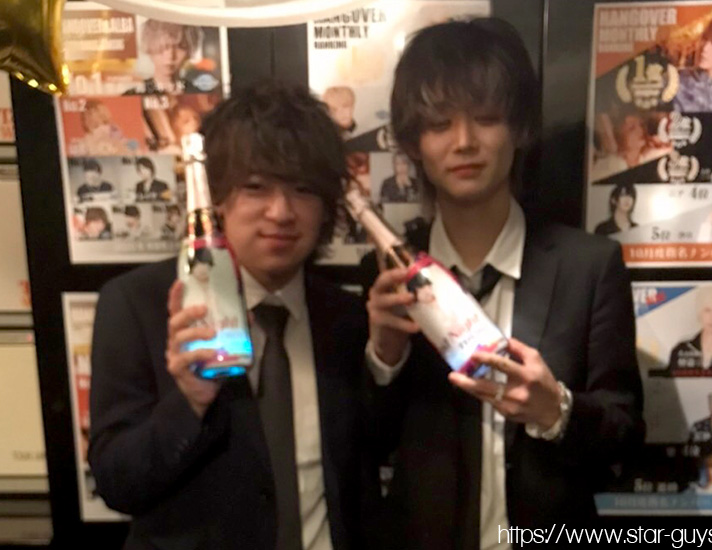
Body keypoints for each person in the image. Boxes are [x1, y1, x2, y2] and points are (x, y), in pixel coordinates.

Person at [360, 18, 644, 548]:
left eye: (487, 118)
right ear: (413, 142)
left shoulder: (589, 267)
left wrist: (557, 412)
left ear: (520, 129)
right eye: (439, 124)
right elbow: (363, 449)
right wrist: (385, 358)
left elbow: (625, 439)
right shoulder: (385, 275)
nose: (464, 142)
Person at [88, 82, 373, 550]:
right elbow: (117, 483)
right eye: (255, 187)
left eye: (303, 189)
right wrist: (189, 403)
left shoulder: (345, 316)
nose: (280, 212)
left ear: (326, 207)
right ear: (216, 196)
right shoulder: (136, 304)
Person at [126, 20, 205, 95]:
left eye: (180, 47)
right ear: (149, 48)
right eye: (163, 47)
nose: (170, 56)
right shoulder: (132, 96)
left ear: (190, 50)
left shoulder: (201, 95)